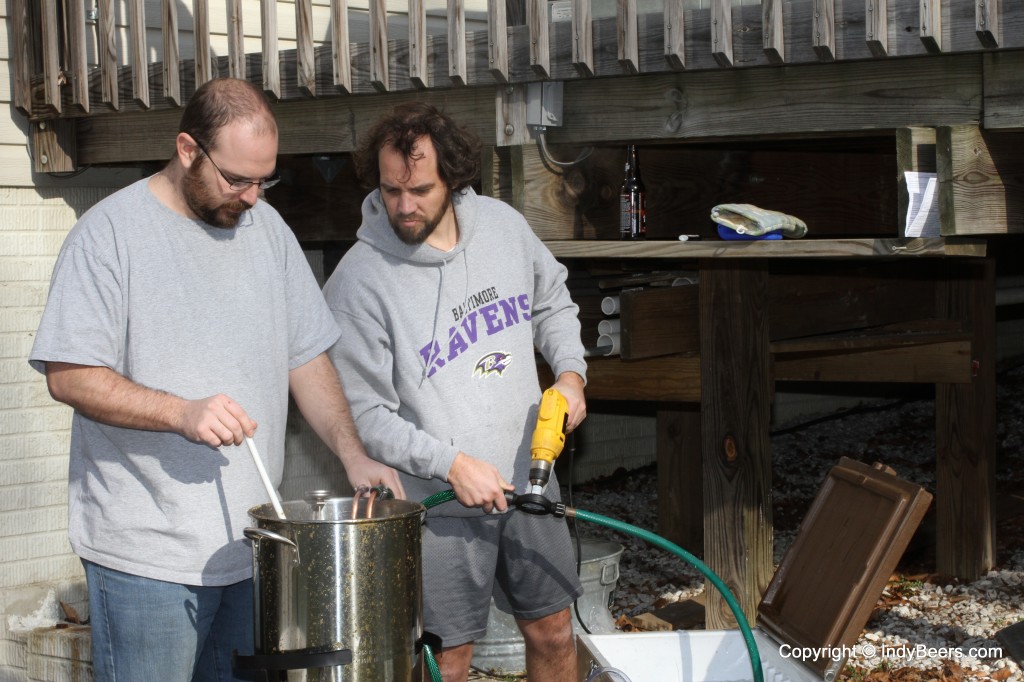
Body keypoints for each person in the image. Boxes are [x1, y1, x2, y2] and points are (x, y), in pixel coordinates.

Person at [28, 77, 404, 682]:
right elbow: (69, 376)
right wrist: (181, 412)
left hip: (254, 550)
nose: (253, 197)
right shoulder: (109, 237)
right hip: (145, 558)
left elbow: (305, 358)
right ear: (186, 150)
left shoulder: (269, 232)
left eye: (265, 180)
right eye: (237, 179)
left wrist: (351, 454)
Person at [322, 102, 588, 682]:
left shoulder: (503, 227)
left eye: (419, 189)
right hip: (435, 499)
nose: (404, 205)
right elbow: (365, 415)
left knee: (554, 630)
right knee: (446, 658)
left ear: (454, 178)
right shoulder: (359, 282)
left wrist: (570, 373)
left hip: (530, 470)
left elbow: (552, 301)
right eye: (391, 190)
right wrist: (452, 464)